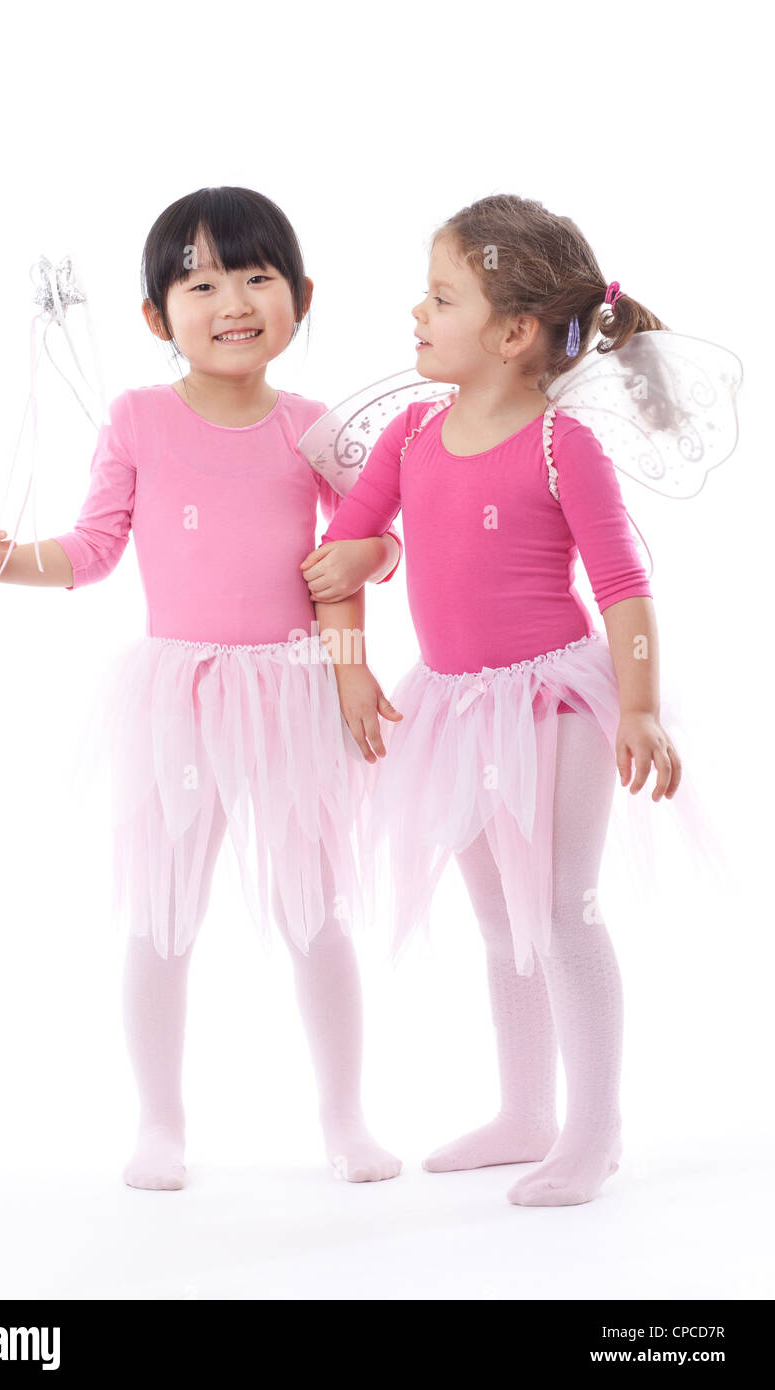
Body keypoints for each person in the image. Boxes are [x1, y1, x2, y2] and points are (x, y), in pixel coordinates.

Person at [0, 186, 404, 1191]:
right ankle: (159, 1123)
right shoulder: (139, 418)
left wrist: (365, 564)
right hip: (181, 698)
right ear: (158, 317)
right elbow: (95, 547)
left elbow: (377, 535)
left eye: (255, 276)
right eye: (200, 281)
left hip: (294, 692)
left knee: (314, 911)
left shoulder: (315, 426)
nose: (232, 300)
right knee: (164, 911)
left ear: (300, 296)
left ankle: (344, 1117)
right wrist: (10, 560)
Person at [301, 192, 689, 1207]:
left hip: (553, 705)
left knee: (561, 909)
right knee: (497, 920)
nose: (415, 314)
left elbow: (621, 588)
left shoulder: (564, 447)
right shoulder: (409, 435)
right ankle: (524, 1110)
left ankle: (592, 1129)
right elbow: (341, 552)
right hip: (451, 707)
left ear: (513, 332)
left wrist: (638, 707)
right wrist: (353, 648)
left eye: (439, 297)